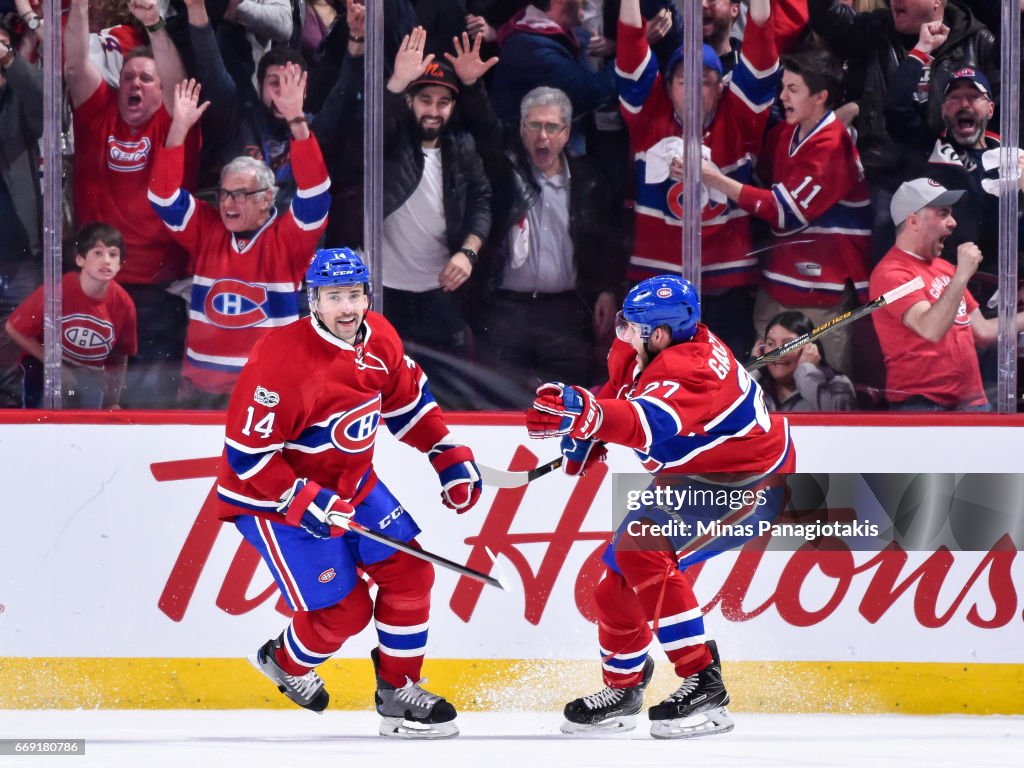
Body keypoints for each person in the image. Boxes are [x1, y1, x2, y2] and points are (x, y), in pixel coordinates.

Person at [217, 248, 483, 738]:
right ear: (313, 300)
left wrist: (444, 453)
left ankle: (399, 692)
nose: (346, 308)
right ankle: (284, 660)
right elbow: (246, 458)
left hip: (354, 485)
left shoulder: (379, 335)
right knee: (348, 610)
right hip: (272, 500)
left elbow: (408, 403)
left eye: (355, 295)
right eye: (334, 296)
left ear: (367, 296)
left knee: (411, 571)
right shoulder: (280, 360)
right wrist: (306, 500)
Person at [525, 275, 794, 738]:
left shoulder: (693, 368)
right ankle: (623, 691)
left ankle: (704, 684)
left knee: (640, 551)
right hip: (694, 478)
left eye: (632, 327)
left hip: (747, 482)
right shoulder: (638, 349)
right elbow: (618, 393)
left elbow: (649, 424)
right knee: (615, 588)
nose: (622, 333)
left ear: (662, 334)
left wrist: (587, 416)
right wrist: (588, 430)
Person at [148, 78, 330, 408]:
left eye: (241, 195)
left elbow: (316, 194)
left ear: (267, 199)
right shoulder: (207, 228)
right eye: (225, 194)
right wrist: (179, 129)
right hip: (201, 391)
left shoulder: (289, 238)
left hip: (267, 392)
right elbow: (162, 197)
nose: (229, 204)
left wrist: (296, 121)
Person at [615, 0, 778, 358]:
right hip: (654, 282)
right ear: (668, 86)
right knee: (651, 382)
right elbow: (630, 46)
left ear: (721, 87)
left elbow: (762, 49)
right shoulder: (647, 115)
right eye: (683, 81)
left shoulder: (740, 118)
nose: (692, 90)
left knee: (723, 385)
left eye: (704, 82)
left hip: (726, 285)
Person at [701, 48, 871, 376]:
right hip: (778, 284)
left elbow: (782, 213)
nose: (782, 97)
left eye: (793, 90)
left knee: (822, 389)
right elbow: (761, 183)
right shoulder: (786, 133)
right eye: (783, 87)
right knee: (765, 390)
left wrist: (713, 179)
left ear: (821, 97)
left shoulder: (833, 148)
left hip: (824, 293)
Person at [64, 0, 198, 408]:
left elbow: (178, 84)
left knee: (149, 407)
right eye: (127, 78)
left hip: (158, 293)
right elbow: (73, 67)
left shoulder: (176, 123)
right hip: (98, 290)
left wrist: (154, 26)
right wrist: (80, 6)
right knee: (87, 405)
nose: (134, 85)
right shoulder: (98, 111)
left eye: (145, 78)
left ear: (163, 90)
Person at [469, 81, 625, 395]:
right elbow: (484, 128)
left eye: (552, 127)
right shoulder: (501, 173)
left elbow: (606, 241)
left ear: (567, 132)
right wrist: (473, 86)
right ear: (522, 129)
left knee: (567, 404)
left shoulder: (589, 180)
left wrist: (607, 290)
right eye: (535, 125)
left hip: (566, 312)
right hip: (505, 311)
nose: (543, 136)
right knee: (501, 402)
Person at [382, 27, 492, 403]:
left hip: (441, 292)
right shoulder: (391, 144)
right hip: (385, 294)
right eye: (425, 99)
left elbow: (482, 200)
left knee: (446, 397)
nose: (433, 110)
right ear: (411, 101)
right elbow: (371, 129)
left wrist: (469, 252)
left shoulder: (461, 148)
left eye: (443, 102)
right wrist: (396, 82)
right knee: (384, 394)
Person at [869, 178, 1024, 411]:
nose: (952, 223)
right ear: (913, 221)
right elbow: (930, 329)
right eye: (943, 214)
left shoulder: (945, 268)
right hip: (923, 404)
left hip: (971, 400)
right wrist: (962, 275)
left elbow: (983, 331)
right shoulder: (890, 274)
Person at [5, 223, 137, 409]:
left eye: (113, 254)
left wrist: (113, 401)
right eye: (98, 253)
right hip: (45, 366)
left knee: (90, 412)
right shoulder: (57, 291)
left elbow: (121, 355)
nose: (106, 261)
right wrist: (55, 365)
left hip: (89, 373)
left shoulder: (124, 304)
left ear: (120, 264)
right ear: (80, 260)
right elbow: (14, 327)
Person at [0, 17, 42, 407]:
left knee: (11, 357)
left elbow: (47, 110)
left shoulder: (19, 101)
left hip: (19, 256)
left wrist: (11, 62)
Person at [753, 310, 856, 411]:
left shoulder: (838, 383)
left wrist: (806, 372)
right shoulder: (756, 385)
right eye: (771, 344)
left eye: (789, 344)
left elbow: (836, 418)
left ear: (810, 348)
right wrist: (753, 370)